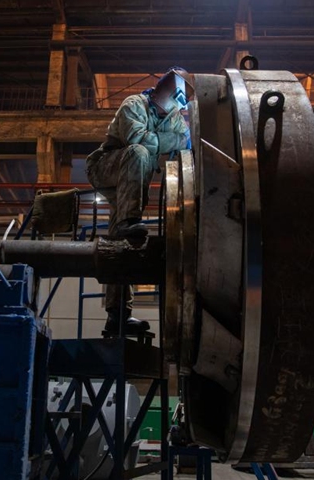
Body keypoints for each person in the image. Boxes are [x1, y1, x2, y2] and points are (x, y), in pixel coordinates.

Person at [86, 67, 194, 334]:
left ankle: (118, 314)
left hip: (131, 182)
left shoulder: (176, 119)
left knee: (119, 242)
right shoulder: (134, 104)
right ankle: (129, 220)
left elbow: (185, 147)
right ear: (168, 91)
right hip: (106, 169)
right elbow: (138, 139)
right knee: (139, 151)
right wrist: (172, 140)